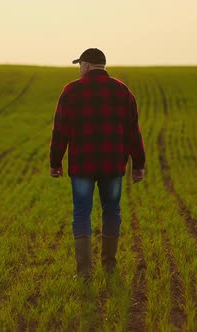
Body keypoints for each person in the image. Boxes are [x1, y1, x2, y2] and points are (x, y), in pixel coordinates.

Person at [49, 48, 146, 280]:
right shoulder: (122, 91)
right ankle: (109, 267)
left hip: (82, 166)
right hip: (112, 165)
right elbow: (134, 131)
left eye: (79, 65)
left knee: (82, 212)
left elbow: (60, 130)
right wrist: (139, 164)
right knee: (112, 211)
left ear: (85, 65)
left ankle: (84, 272)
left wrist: (55, 162)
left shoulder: (71, 91)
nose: (79, 69)